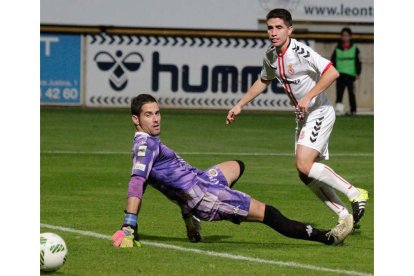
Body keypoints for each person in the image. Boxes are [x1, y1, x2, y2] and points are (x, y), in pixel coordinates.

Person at [112, 94, 353, 248]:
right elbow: (137, 182)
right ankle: (327, 237)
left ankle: (190, 213)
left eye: (157, 113)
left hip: (202, 181)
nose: (156, 119)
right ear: (136, 119)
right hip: (207, 197)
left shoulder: (147, 143)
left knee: (237, 165)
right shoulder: (145, 146)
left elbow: (158, 182)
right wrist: (129, 226)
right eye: (148, 115)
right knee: (269, 213)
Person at [226, 9, 368, 228]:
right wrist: (240, 104)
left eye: (279, 27)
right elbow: (263, 81)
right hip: (303, 117)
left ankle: (356, 193)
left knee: (303, 164)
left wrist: (309, 97)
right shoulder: (271, 55)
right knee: (305, 173)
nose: (273, 32)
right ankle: (343, 216)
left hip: (319, 111)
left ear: (290, 29)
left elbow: (332, 73)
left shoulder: (301, 51)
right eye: (270, 28)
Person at [331, 27, 362, 115]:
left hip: (350, 75)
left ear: (350, 36)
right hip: (339, 74)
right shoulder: (337, 48)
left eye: (347, 35)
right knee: (339, 94)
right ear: (341, 36)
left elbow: (358, 61)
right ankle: (338, 110)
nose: (345, 37)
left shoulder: (355, 48)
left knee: (352, 94)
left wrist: (358, 73)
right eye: (343, 35)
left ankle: (353, 111)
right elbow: (332, 62)